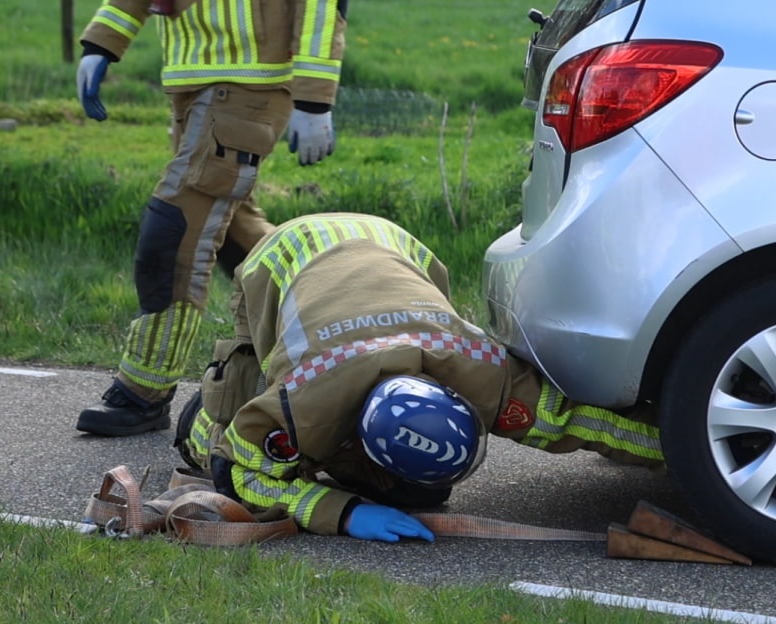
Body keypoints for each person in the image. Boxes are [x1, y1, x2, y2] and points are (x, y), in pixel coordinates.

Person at [173, 212, 664, 542]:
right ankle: (196, 418)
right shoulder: (304, 400)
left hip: (396, 246)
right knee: (229, 419)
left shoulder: (479, 369)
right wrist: (342, 512)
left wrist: (680, 455)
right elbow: (245, 473)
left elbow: (572, 421)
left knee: (420, 494)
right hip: (279, 258)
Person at [72, 0, 348, 436]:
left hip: (250, 90)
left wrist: (314, 99)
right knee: (243, 239)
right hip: (192, 87)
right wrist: (103, 43)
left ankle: (143, 390)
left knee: (176, 234)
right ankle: (342, 331)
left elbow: (320, 7)